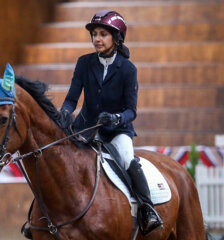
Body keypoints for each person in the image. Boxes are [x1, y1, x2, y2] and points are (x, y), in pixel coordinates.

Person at [60, 10, 163, 235]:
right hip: (85, 128)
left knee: (128, 160)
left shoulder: (128, 69)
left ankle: (147, 209)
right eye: (94, 34)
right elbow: (71, 98)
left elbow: (131, 111)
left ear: (116, 39)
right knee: (60, 162)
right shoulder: (84, 63)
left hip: (117, 131)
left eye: (103, 34)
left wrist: (116, 118)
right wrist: (65, 112)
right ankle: (40, 214)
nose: (97, 39)